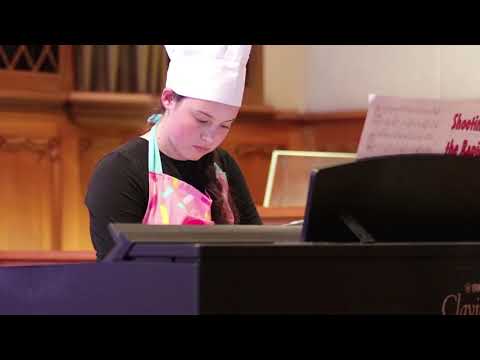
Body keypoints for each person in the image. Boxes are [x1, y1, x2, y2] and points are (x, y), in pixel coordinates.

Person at [85, 45, 262, 260]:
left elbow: (258, 249)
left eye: (225, 125)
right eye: (202, 120)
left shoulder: (223, 165)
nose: (210, 137)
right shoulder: (119, 171)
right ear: (168, 98)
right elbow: (117, 271)